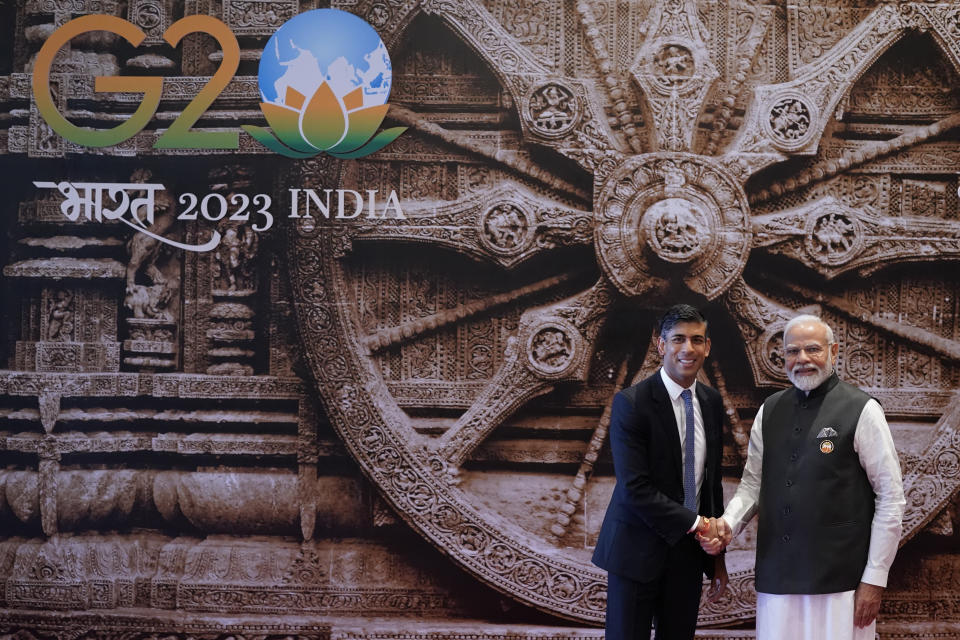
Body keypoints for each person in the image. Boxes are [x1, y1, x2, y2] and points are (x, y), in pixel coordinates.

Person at [700, 314, 905, 640]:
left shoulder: (862, 410)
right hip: (777, 577)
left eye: (813, 349)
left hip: (841, 584)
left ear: (834, 352)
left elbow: (891, 498)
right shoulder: (770, 410)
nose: (803, 359)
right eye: (793, 351)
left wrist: (874, 579)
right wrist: (728, 525)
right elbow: (753, 484)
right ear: (782, 357)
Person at [593, 304, 728, 640]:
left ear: (707, 346)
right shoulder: (632, 403)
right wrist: (700, 525)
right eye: (678, 339)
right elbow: (635, 488)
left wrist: (718, 559)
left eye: (697, 340)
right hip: (636, 550)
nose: (688, 349)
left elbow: (710, 484)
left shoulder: (711, 402)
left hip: (687, 555)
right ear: (661, 344)